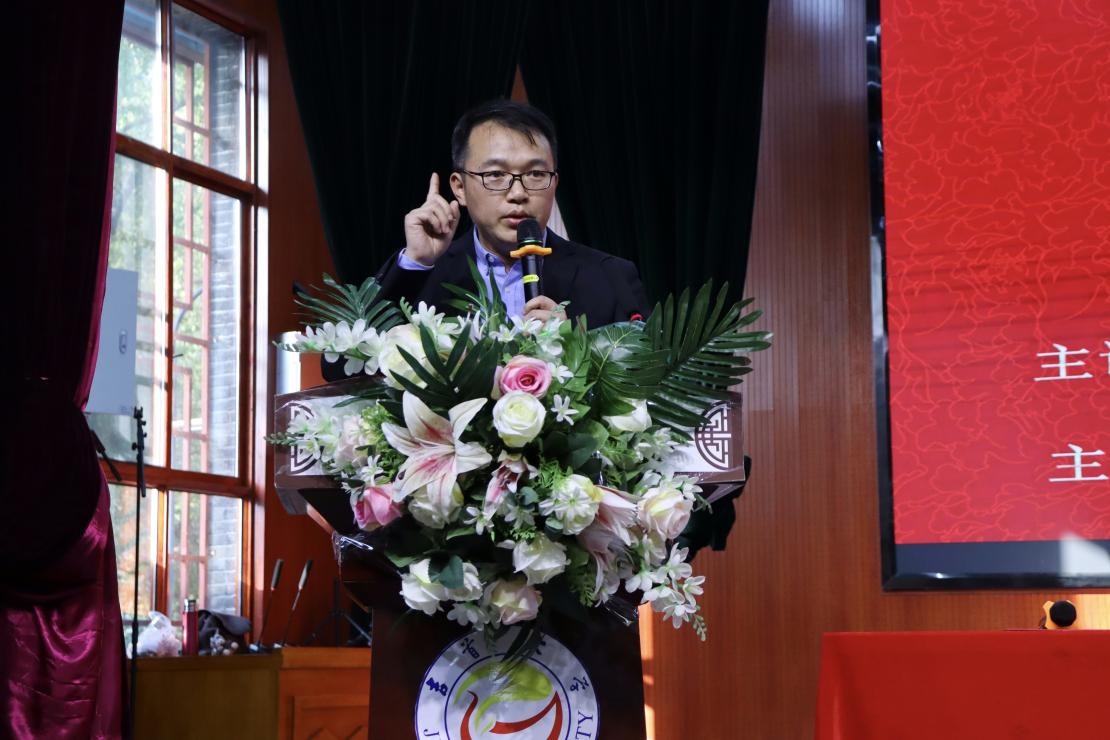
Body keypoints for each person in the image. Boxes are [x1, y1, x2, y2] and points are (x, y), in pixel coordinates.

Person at [374, 99, 649, 328]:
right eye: (495, 174)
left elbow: (646, 369)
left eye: (536, 174)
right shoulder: (424, 273)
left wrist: (577, 344)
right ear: (459, 188)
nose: (518, 193)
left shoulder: (610, 276)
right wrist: (417, 262)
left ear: (554, 184)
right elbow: (353, 363)